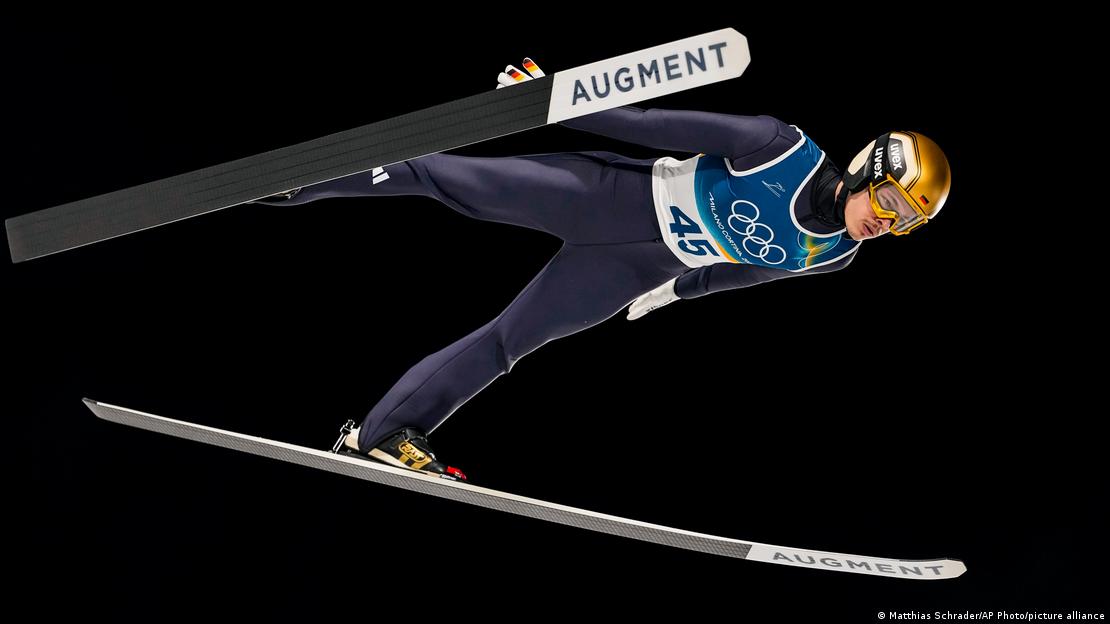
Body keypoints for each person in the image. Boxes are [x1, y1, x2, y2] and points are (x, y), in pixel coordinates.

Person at [257, 58, 952, 481]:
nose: (886, 223)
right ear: (869, 168)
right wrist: (551, 101)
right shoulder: (779, 148)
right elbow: (650, 125)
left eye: (904, 223)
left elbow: (749, 272)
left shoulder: (835, 254)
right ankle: (300, 182)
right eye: (889, 202)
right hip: (607, 196)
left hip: (631, 268)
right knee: (439, 176)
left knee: (507, 344)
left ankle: (379, 437)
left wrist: (677, 290)